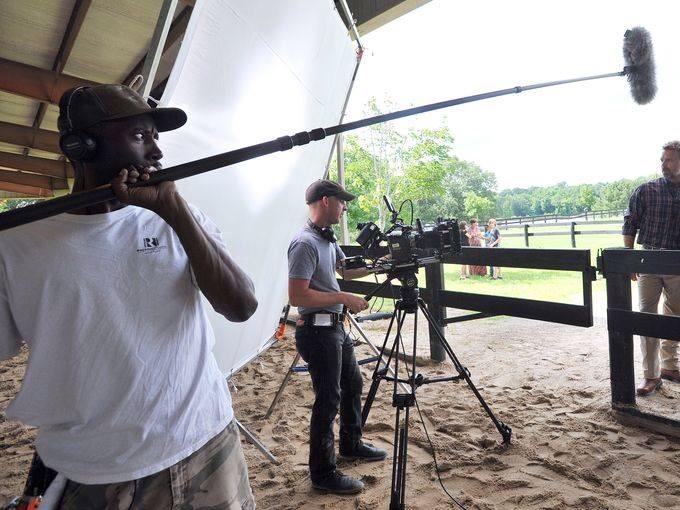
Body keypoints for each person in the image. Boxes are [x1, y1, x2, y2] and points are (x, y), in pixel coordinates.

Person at [0, 84, 259, 508]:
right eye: (140, 136)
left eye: (155, 137)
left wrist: (174, 211)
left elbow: (241, 305)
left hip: (204, 441)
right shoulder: (16, 245)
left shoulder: (179, 219)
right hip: (92, 470)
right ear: (80, 146)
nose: (155, 152)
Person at [288, 179, 387, 495]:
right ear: (327, 200)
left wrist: (378, 265)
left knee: (353, 384)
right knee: (328, 399)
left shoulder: (327, 240)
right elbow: (297, 296)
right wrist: (344, 298)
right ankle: (323, 473)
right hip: (317, 332)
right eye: (342, 202)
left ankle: (351, 443)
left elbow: (346, 270)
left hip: (334, 328)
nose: (345, 208)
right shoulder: (304, 243)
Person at [623, 140, 680, 396]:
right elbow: (630, 223)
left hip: (677, 261)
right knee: (646, 316)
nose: (663, 164)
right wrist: (629, 259)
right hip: (648, 259)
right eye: (662, 159)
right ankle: (651, 375)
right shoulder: (647, 190)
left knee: (676, 315)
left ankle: (669, 366)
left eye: (668, 159)